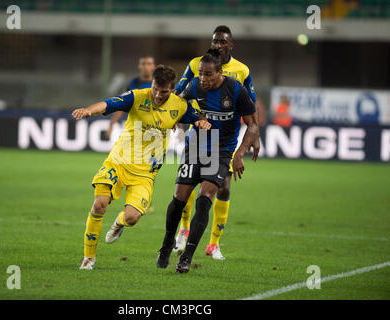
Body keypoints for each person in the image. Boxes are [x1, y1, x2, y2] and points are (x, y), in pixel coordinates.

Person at [72, 65, 211, 270]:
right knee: (99, 204)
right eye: (155, 88)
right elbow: (109, 104)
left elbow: (198, 117)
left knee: (132, 217)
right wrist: (88, 111)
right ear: (152, 84)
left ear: (172, 90)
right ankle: (88, 258)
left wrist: (202, 122)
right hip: (118, 163)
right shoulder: (138, 97)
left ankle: (119, 223)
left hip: (144, 174)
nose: (157, 94)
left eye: (163, 92)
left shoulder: (179, 106)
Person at [156, 49, 260, 273]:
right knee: (179, 199)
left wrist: (240, 153)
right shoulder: (194, 85)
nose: (203, 79)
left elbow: (252, 125)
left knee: (205, 198)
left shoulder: (235, 90)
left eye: (208, 75)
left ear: (220, 73)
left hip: (222, 150)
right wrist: (175, 119)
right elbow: (177, 102)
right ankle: (166, 244)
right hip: (195, 146)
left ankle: (187, 257)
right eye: (201, 74)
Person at [105, 56, 156, 140]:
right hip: (136, 127)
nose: (146, 67)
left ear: (154, 66)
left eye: (149, 64)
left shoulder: (158, 84)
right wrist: (112, 124)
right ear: (139, 66)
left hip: (154, 128)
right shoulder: (133, 83)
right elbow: (122, 104)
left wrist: (179, 127)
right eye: (143, 64)